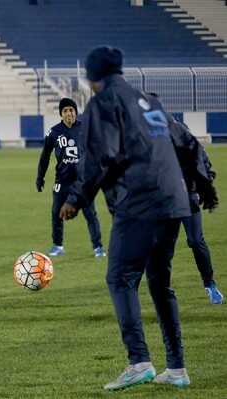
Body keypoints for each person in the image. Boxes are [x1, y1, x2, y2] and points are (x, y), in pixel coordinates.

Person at [59, 46, 216, 390]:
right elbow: (188, 143)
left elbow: (101, 156)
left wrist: (75, 198)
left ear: (92, 77)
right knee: (160, 283)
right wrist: (202, 186)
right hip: (173, 201)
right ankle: (177, 368)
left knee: (120, 278)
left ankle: (138, 361)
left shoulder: (104, 103)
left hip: (140, 201)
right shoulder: (150, 101)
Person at [36, 97, 105, 257]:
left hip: (83, 181)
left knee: (90, 214)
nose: (69, 113)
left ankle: (98, 247)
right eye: (65, 111)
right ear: (61, 114)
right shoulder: (53, 132)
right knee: (56, 212)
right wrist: (40, 177)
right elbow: (45, 156)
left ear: (76, 112)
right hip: (62, 180)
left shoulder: (85, 129)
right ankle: (58, 246)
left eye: (71, 110)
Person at [168, 118, 223, 304]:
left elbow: (206, 168)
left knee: (195, 240)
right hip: (166, 202)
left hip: (189, 198)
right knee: (162, 245)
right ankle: (162, 287)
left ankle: (210, 284)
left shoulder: (189, 143)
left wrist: (201, 188)